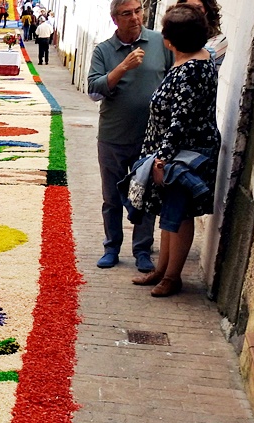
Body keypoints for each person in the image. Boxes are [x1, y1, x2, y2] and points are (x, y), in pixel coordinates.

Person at [122, 4, 219, 296]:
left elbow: (180, 120)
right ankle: (161, 270)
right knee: (169, 214)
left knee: (179, 214)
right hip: (175, 152)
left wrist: (162, 159)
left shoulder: (191, 69)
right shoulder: (192, 61)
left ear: (170, 40)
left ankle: (172, 277)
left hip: (183, 157)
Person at [87, 0, 173, 271]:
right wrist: (122, 67)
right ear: (115, 19)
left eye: (138, 11)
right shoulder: (103, 51)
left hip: (149, 138)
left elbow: (173, 79)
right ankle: (111, 247)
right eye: (127, 13)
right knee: (111, 197)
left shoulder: (161, 43)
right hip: (112, 136)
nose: (135, 18)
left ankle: (142, 251)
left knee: (145, 196)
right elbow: (93, 91)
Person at [177, 0, 226, 65]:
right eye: (188, 7)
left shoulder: (219, 40)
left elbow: (194, 63)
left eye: (198, 8)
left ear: (207, 11)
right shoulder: (176, 33)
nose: (193, 12)